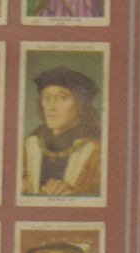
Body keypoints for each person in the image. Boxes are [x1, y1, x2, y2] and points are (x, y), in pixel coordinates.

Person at [21, 65, 102, 199]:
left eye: (62, 98)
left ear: (80, 104)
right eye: (46, 98)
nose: (51, 107)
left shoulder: (96, 151)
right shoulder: (30, 145)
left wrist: (74, 196)